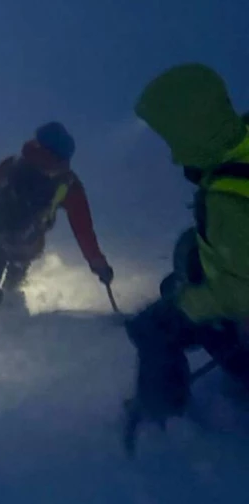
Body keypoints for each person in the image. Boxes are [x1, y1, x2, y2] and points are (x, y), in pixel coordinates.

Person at [124, 63, 249, 429]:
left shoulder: (229, 196)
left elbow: (242, 293)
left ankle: (159, 422)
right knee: (183, 268)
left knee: (156, 325)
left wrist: (183, 307)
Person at [0, 122, 113, 305]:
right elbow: (83, 230)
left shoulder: (15, 163)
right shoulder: (68, 184)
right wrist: (98, 263)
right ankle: (12, 300)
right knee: (17, 270)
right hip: (28, 243)